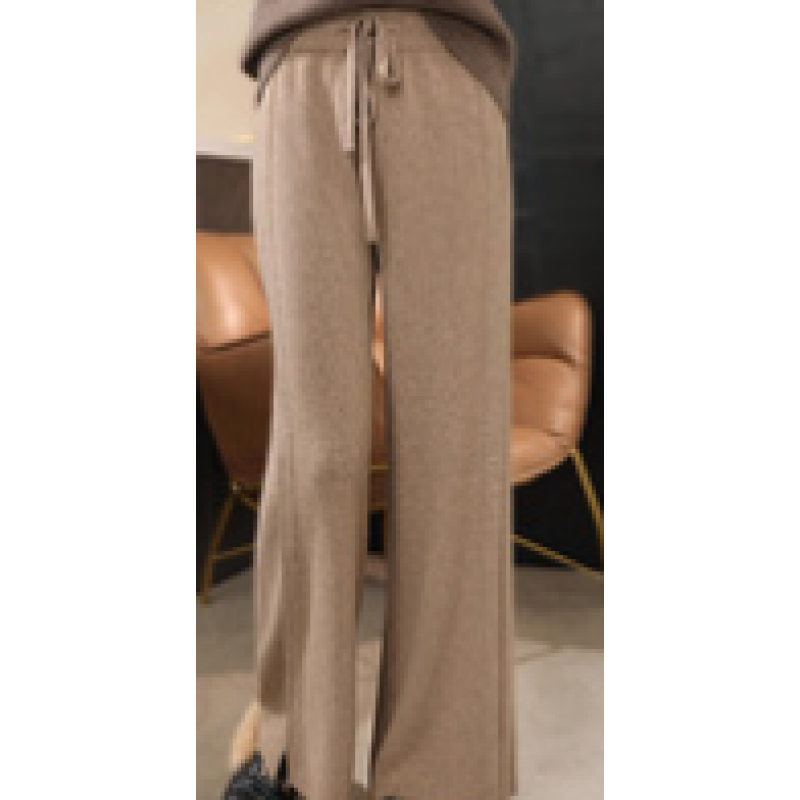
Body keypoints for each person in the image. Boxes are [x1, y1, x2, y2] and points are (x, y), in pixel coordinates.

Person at [225, 3, 518, 799]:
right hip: (298, 60)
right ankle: (291, 759)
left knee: (453, 452)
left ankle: (441, 778)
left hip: (449, 58)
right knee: (315, 453)